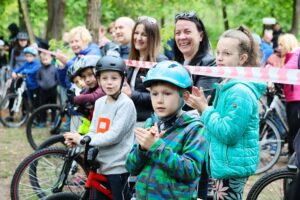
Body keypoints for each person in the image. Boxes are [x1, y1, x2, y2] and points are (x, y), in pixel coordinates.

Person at [186, 25, 267, 200]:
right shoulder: (227, 85)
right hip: (223, 164)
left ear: (243, 58)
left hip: (231, 168)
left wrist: (205, 109)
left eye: (227, 54)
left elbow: (228, 133)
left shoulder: (239, 91)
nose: (220, 58)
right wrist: (200, 108)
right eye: (218, 52)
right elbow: (218, 121)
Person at [126, 61, 208, 199]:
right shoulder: (150, 123)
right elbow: (131, 167)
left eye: (167, 94)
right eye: (154, 94)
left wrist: (155, 147)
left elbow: (191, 171)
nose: (159, 100)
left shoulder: (194, 128)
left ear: (185, 96)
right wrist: (142, 149)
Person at [64, 55, 136, 199]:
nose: (109, 83)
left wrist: (83, 140)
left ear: (123, 79)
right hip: (100, 164)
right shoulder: (100, 102)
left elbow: (113, 136)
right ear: (99, 80)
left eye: (114, 78)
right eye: (104, 78)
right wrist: (80, 140)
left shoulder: (125, 104)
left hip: (118, 168)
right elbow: (93, 130)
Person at [122, 16, 168, 124]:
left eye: (144, 35)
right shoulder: (132, 61)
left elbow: (163, 96)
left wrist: (132, 94)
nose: (138, 38)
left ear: (152, 38)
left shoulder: (160, 62)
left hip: (148, 121)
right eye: (136, 33)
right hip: (129, 118)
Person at [174, 12, 219, 97]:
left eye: (187, 32)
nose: (182, 37)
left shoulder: (210, 64)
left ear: (201, 36)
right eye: (178, 33)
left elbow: (198, 101)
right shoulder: (177, 63)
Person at [66, 55, 105, 133]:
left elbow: (94, 96)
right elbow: (84, 94)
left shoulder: (103, 86)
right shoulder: (90, 88)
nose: (87, 80)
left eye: (90, 75)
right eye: (84, 77)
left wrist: (76, 99)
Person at [278, 33, 300, 157]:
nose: (279, 48)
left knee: (294, 130)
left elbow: (284, 72)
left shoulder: (296, 55)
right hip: (292, 97)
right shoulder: (291, 56)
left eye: (281, 44)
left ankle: (294, 157)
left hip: (296, 98)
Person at [12, 47, 41, 111]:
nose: (28, 58)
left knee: (36, 103)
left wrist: (22, 72)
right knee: (29, 101)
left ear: (34, 56)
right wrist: (14, 72)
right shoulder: (26, 64)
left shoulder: (37, 63)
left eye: (30, 56)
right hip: (28, 86)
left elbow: (32, 70)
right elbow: (19, 68)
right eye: (27, 56)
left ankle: (38, 118)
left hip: (35, 86)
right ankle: (29, 115)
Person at [36, 52, 58, 127]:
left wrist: (54, 84)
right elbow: (38, 78)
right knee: (42, 107)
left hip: (52, 90)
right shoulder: (40, 69)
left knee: (53, 106)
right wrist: (41, 84)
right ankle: (43, 121)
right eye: (43, 60)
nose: (45, 61)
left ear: (50, 59)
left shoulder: (54, 68)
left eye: (46, 59)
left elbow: (57, 78)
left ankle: (53, 121)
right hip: (43, 91)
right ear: (41, 60)